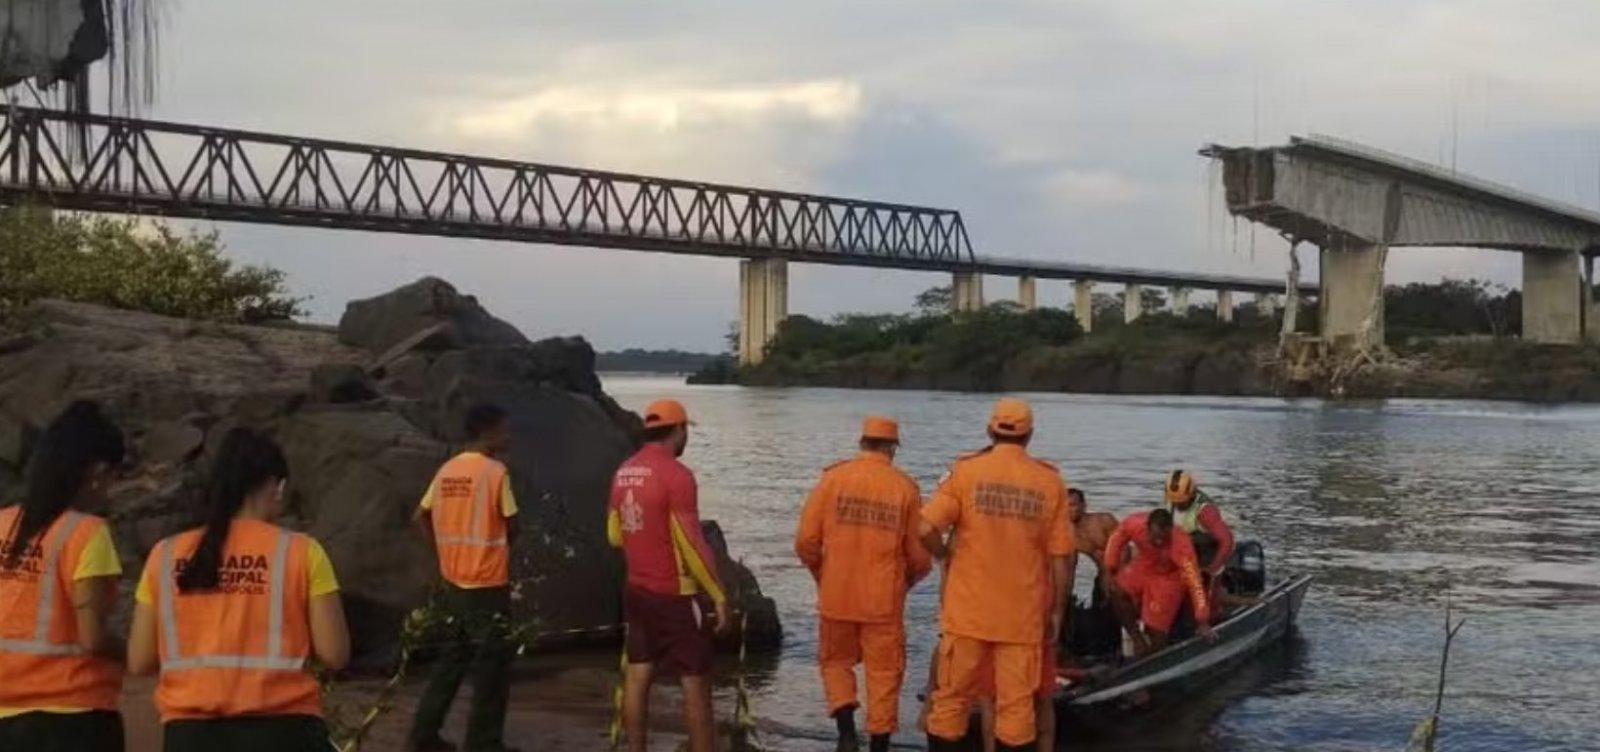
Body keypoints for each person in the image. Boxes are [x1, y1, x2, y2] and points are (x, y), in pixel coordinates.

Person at [127, 428, 350, 751]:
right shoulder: (301, 552)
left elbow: (139, 660)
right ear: (278, 486)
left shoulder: (164, 556)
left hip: (190, 735)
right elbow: (335, 654)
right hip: (283, 731)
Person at [918, 398, 1075, 752]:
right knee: (1016, 708)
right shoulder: (1050, 482)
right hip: (1021, 618)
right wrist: (1057, 611)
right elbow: (1061, 558)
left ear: (990, 430)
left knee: (951, 701)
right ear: (1029, 435)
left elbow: (925, 528)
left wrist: (946, 557)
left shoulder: (965, 472)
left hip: (967, 613)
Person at [795, 416, 932, 752]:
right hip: (883, 600)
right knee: (884, 674)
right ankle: (879, 745)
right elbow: (920, 557)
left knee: (835, 663)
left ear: (862, 443)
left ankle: (845, 734)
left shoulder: (832, 480)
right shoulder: (905, 488)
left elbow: (805, 542)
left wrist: (823, 575)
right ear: (891, 448)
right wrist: (906, 583)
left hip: (836, 594)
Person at [0, 401, 128, 752]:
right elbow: (93, 639)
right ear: (98, 472)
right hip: (73, 716)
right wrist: (142, 654)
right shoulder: (86, 533)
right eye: (114, 478)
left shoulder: (2, 525)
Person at [607, 399, 730, 752]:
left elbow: (614, 535)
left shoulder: (623, 471)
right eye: (685, 429)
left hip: (637, 589)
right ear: (678, 430)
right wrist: (719, 596)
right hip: (675, 594)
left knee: (638, 673)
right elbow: (692, 544)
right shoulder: (677, 475)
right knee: (695, 684)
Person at [409, 403, 521, 752]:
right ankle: (484, 742)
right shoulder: (495, 472)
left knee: (451, 661)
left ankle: (424, 735)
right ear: (487, 431)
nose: (508, 435)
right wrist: (499, 546)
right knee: (492, 668)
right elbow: (513, 524)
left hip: (453, 581)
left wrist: (443, 551)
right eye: (504, 429)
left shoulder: (447, 471)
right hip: (486, 584)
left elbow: (419, 516)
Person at [1102, 509, 1212, 657]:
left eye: (1163, 538)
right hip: (1144, 565)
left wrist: (1202, 619)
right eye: (1154, 537)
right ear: (1147, 528)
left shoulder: (1182, 545)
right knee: (1116, 589)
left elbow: (1195, 582)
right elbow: (1117, 537)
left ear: (1170, 531)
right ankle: (1137, 639)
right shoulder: (1134, 524)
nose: (1158, 542)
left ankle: (1155, 654)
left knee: (1155, 630)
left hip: (1169, 576)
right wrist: (1111, 567)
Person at [1065, 488, 1122, 658]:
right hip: (1101, 576)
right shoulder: (1069, 535)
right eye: (1065, 506)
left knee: (1113, 595)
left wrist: (1111, 576)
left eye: (1073, 505)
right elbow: (1069, 568)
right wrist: (1065, 597)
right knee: (1095, 607)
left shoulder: (1103, 520)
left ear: (1083, 506)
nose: (1069, 510)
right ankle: (1106, 652)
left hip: (1124, 570)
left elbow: (1124, 549)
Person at [1162, 470, 1234, 595]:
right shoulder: (1171, 500)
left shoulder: (1206, 512)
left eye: (1181, 501)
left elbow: (1227, 541)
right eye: (1175, 501)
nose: (1177, 504)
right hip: (1183, 554)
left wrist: (1211, 569)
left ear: (1192, 494)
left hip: (1207, 556)